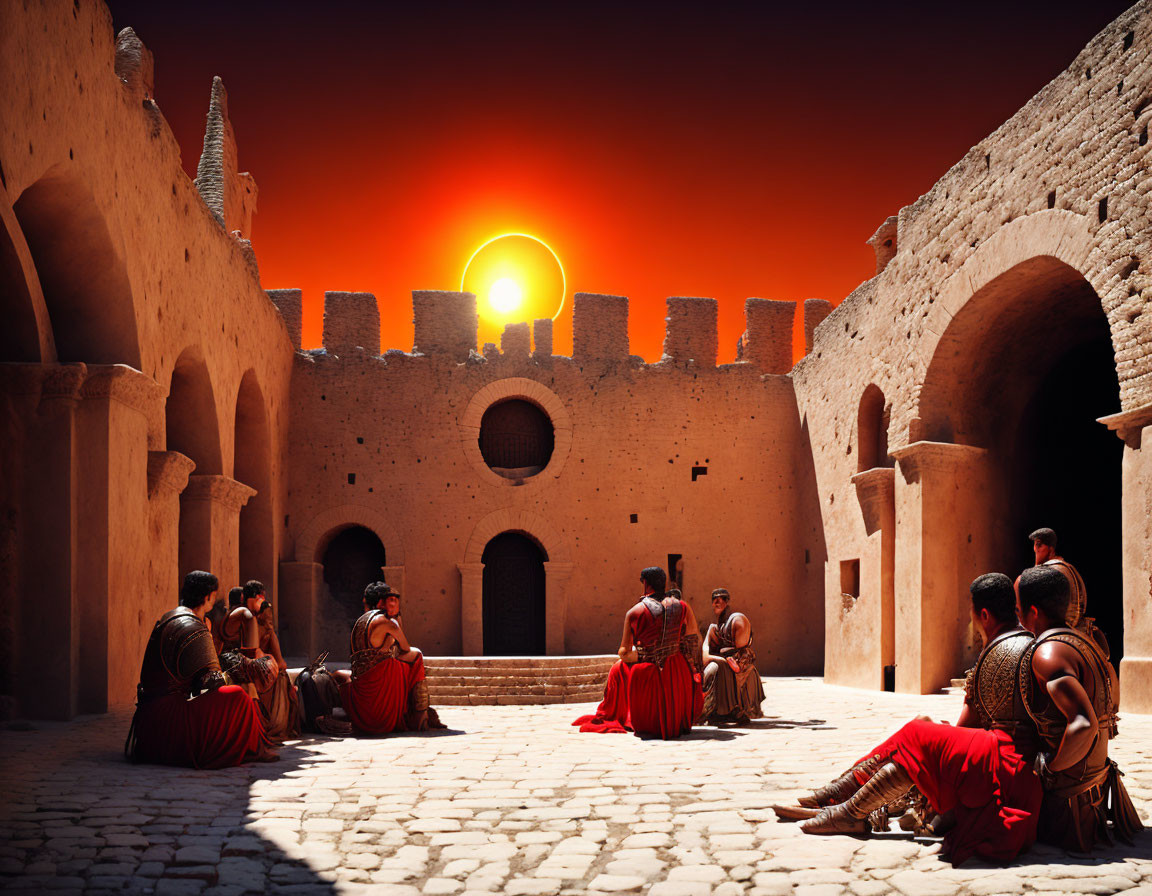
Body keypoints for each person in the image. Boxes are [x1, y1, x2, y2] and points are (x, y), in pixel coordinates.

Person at [782, 573, 1043, 865]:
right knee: (922, 727)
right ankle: (842, 795)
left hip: (1003, 764)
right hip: (1017, 765)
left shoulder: (993, 653)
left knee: (918, 734)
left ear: (983, 614)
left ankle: (847, 807)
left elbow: (965, 728)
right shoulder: (1033, 646)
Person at [1017, 565, 1142, 851]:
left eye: (1017, 608)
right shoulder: (1087, 643)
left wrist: (1049, 770)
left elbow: (1085, 724)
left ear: (1032, 612)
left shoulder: (1049, 652)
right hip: (1093, 784)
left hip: (1066, 801)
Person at [125, 570, 276, 768]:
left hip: (147, 717)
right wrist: (244, 670)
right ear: (208, 597)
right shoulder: (193, 626)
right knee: (238, 695)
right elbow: (211, 682)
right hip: (168, 718)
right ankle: (251, 747)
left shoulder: (168, 617)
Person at [574, 567, 704, 739]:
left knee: (617, 669)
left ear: (645, 584)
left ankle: (626, 716)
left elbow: (624, 652)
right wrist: (695, 671)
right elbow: (694, 639)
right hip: (677, 670)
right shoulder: (683, 607)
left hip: (648, 671)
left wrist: (640, 653)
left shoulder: (634, 612)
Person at [334, 581, 444, 734]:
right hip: (379, 705)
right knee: (416, 656)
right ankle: (419, 716)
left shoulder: (360, 622)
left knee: (396, 662)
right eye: (390, 599)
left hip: (361, 696)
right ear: (381, 602)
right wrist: (397, 625)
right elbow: (405, 648)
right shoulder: (387, 623)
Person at [1025, 527, 1108, 655]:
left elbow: (1070, 615)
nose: (1035, 550)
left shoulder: (1052, 571)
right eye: (1035, 545)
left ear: (1051, 549)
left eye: (1039, 545)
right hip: (1079, 632)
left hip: (1064, 634)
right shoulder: (1067, 567)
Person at [699, 588, 764, 724]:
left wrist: (726, 661)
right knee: (716, 667)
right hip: (726, 664)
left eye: (721, 600)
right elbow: (705, 655)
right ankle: (717, 711)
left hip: (740, 668)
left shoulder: (738, 620)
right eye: (714, 600)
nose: (717, 603)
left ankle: (736, 709)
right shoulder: (714, 628)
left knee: (723, 667)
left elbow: (741, 655)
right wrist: (720, 659)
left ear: (727, 602)